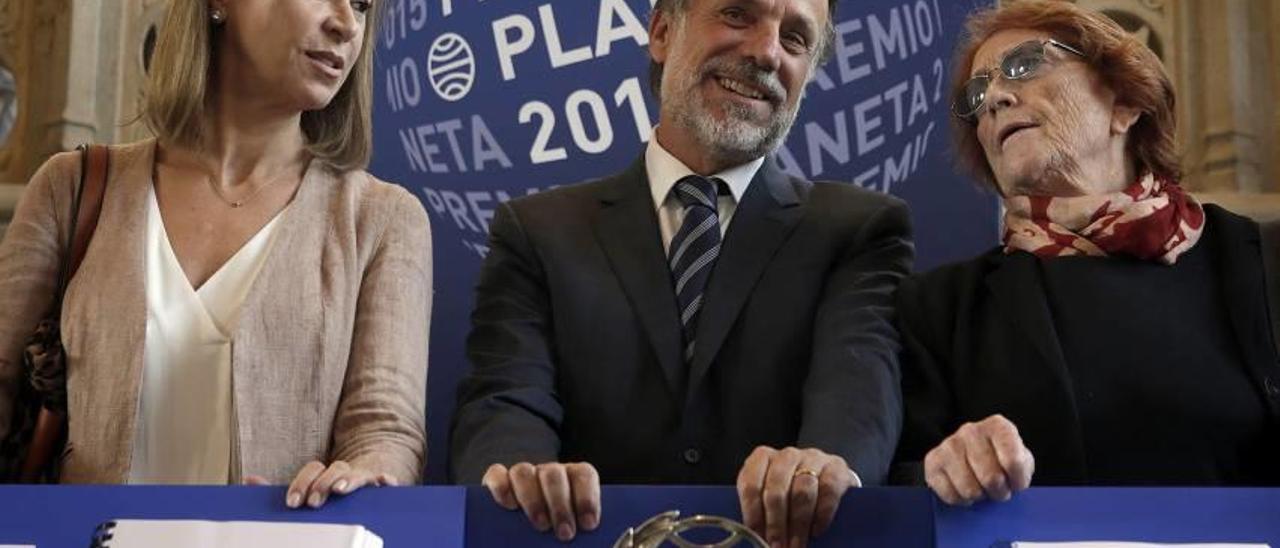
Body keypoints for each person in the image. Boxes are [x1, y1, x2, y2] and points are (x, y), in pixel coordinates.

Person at [450, 0, 913, 544]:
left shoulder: (859, 230)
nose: (766, 52)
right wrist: (521, 477)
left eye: (794, 39)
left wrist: (824, 468)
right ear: (663, 31)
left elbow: (859, 387)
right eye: (738, 15)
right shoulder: (536, 232)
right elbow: (505, 398)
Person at [0, 0, 431, 508]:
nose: (346, 24)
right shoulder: (71, 188)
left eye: (362, 5)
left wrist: (364, 477)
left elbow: (385, 433)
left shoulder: (383, 218)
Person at [893, 0, 1280, 506]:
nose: (994, 99)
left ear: (1124, 103)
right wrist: (941, 470)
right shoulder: (941, 309)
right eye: (977, 93)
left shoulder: (1263, 262)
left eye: (1023, 65)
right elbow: (894, 482)